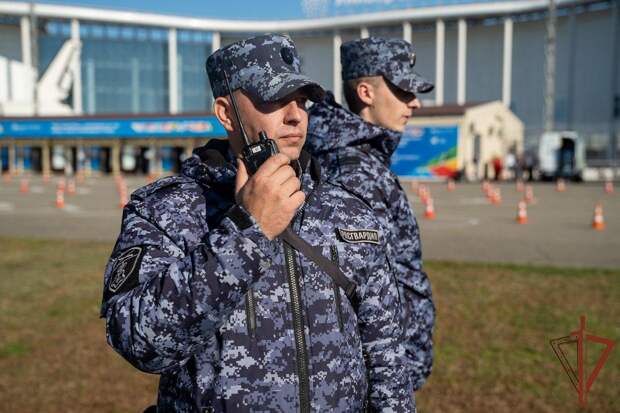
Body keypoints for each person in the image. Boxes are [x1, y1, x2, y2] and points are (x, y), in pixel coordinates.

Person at [100, 34, 413, 412]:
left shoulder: (347, 210)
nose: (296, 115)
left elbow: (387, 356)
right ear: (226, 112)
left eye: (301, 100)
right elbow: (139, 342)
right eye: (274, 100)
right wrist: (247, 232)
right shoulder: (168, 210)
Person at [306, 37, 435, 392]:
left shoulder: (361, 158)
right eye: (404, 92)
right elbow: (364, 286)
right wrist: (391, 377)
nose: (415, 103)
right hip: (371, 375)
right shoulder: (353, 170)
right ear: (366, 92)